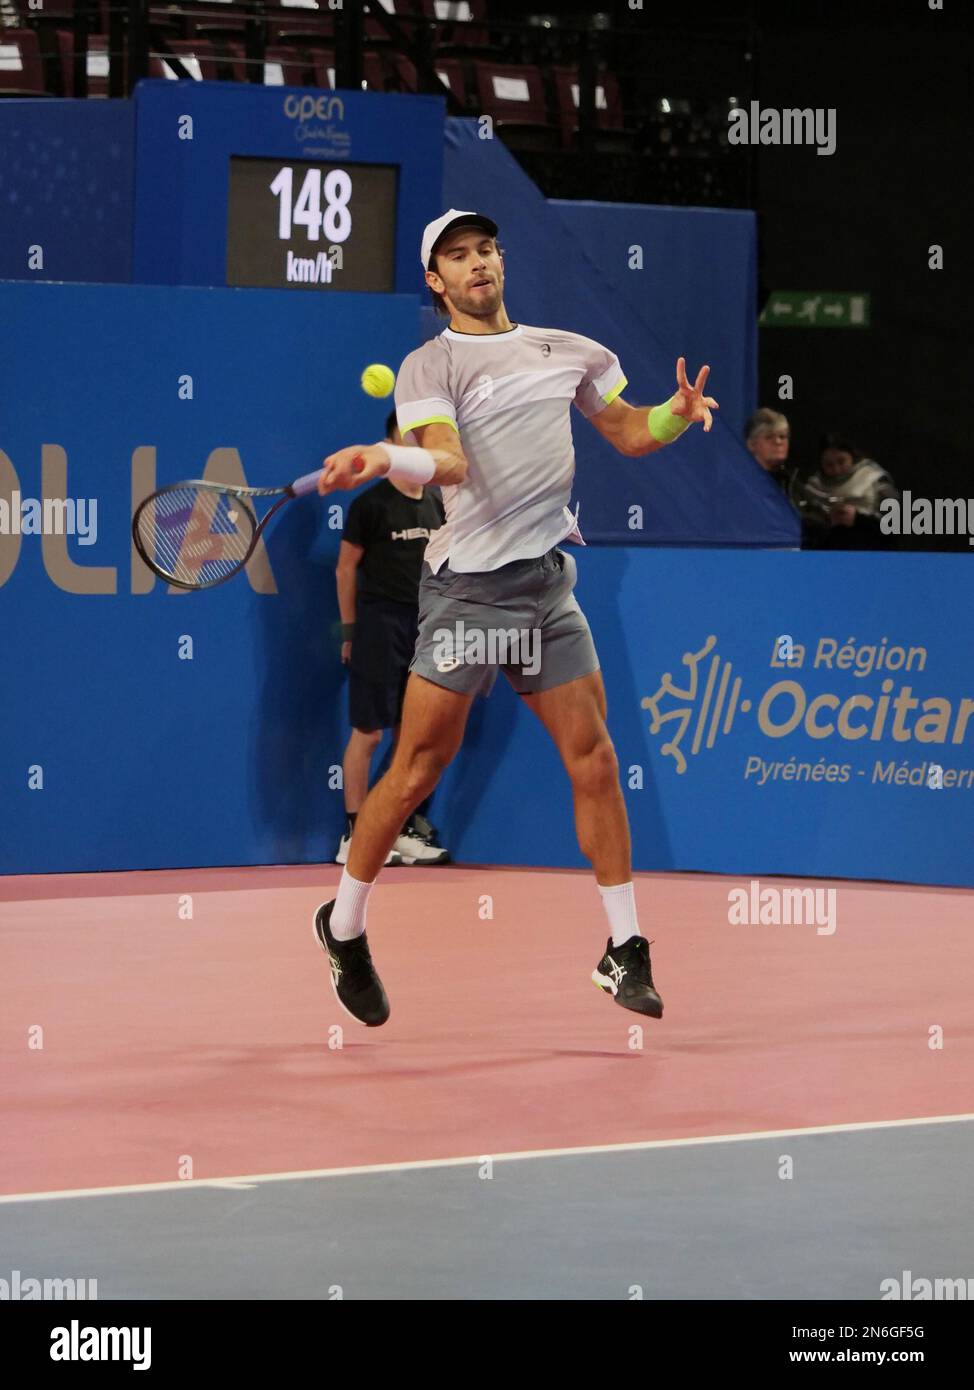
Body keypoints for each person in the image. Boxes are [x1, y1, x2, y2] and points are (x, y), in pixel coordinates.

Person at [312, 207, 718, 1027]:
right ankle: (344, 927)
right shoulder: (430, 365)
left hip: (544, 589)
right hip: (467, 592)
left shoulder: (568, 351)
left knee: (595, 758)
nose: (477, 265)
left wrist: (675, 413)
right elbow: (449, 462)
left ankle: (623, 949)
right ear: (436, 281)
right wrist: (385, 456)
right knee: (416, 772)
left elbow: (629, 433)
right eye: (457, 257)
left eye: (485, 250)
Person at [335, 410, 449, 866]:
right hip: (379, 625)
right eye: (406, 438)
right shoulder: (370, 505)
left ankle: (396, 830)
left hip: (425, 629)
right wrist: (349, 630)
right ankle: (353, 835)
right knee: (369, 734)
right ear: (389, 445)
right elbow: (346, 568)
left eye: (421, 437)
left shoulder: (437, 504)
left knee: (415, 738)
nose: (415, 445)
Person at [798, 433, 899, 549]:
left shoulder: (875, 478)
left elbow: (894, 527)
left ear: (852, 456)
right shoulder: (814, 487)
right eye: (829, 465)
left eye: (841, 461)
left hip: (870, 552)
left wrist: (858, 519)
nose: (836, 469)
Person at [744, 407, 801, 507]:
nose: (778, 442)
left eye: (782, 437)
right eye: (769, 437)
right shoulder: (742, 482)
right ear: (751, 444)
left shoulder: (792, 484)